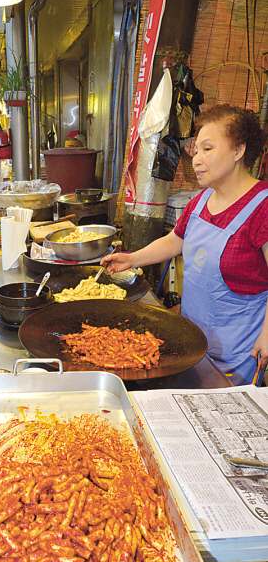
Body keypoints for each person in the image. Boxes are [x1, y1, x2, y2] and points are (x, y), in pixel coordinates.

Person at [102, 104, 268, 385]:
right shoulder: (201, 201)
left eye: (208, 149)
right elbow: (175, 240)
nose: (196, 160)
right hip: (193, 342)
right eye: (196, 150)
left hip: (240, 353)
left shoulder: (261, 206)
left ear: (238, 151)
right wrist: (131, 259)